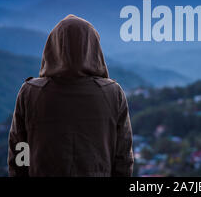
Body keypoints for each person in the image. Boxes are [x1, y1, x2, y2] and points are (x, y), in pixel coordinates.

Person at [8, 15, 134, 177]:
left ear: (52, 47)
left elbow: (19, 150)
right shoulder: (112, 93)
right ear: (93, 49)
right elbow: (123, 157)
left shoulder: (30, 92)